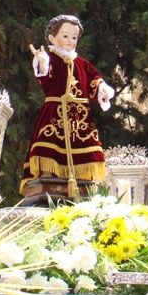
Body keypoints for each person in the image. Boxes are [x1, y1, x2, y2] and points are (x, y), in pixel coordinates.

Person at [20, 14, 115, 198]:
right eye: (65, 36)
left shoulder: (82, 64)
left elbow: (94, 79)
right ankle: (48, 175)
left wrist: (103, 89)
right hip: (55, 110)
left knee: (85, 145)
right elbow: (44, 77)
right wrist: (41, 62)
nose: (70, 41)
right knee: (48, 144)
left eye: (74, 37)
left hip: (80, 115)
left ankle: (82, 179)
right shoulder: (51, 59)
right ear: (51, 38)